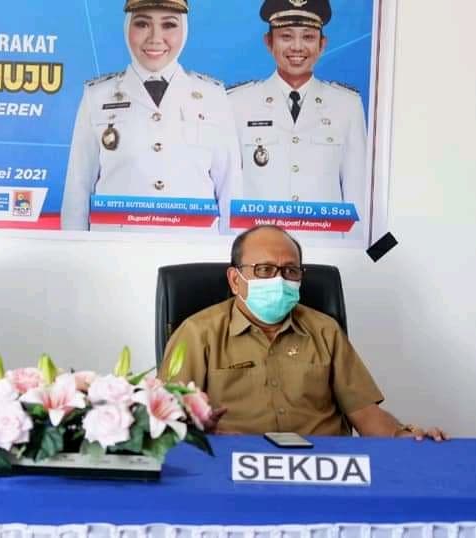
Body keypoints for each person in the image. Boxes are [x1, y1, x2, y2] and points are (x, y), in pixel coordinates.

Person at [158, 225, 447, 440]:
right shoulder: (197, 333)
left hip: (323, 467)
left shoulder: (325, 330)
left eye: (290, 271)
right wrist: (199, 431)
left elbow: (366, 414)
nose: (279, 280)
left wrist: (407, 438)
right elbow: (167, 420)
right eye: (264, 269)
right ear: (235, 280)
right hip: (237, 467)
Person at [61, 0, 241, 232]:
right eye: (143, 24)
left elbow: (230, 189)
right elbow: (78, 189)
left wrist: (233, 251)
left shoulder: (213, 95)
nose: (155, 38)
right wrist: (76, 249)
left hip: (192, 247)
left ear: (184, 30)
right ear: (127, 27)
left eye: (169, 25)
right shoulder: (97, 96)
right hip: (114, 247)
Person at [226, 0, 367, 234]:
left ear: (322, 44)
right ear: (268, 42)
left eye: (308, 37)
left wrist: (353, 251)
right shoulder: (237, 103)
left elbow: (357, 194)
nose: (297, 47)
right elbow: (229, 191)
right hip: (261, 244)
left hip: (326, 245)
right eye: (286, 36)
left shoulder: (347, 105)